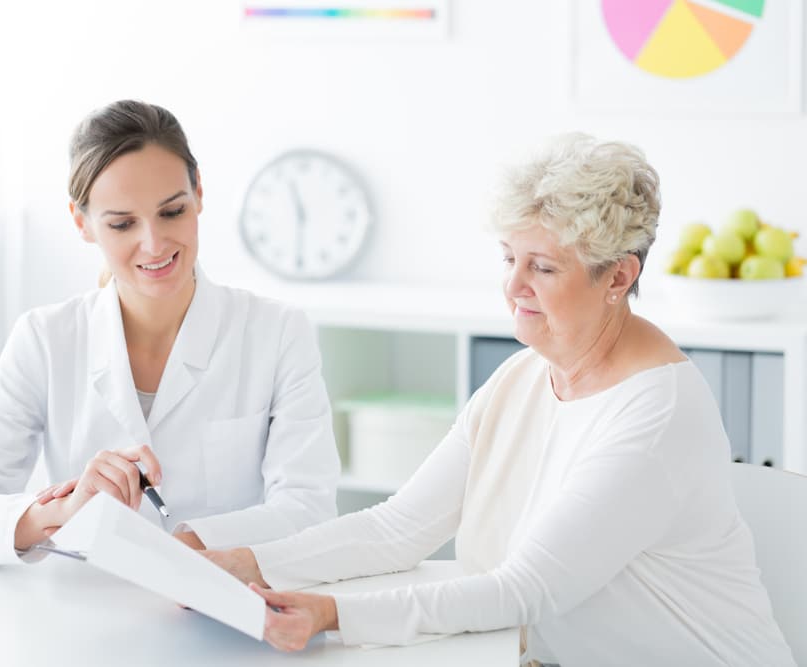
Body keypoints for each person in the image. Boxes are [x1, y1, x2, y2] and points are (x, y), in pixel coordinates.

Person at [204, 134, 795, 664]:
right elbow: (399, 526)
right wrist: (245, 562)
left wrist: (333, 616)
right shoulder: (525, 375)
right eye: (510, 258)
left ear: (617, 278)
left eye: (542, 268)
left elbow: (524, 590)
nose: (513, 287)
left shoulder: (656, 413)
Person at [0, 100, 341, 564]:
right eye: (122, 223)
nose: (154, 243)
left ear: (198, 192)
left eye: (172, 212)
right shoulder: (45, 339)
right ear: (82, 222)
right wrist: (65, 509)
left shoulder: (277, 332)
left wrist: (176, 553)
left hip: (220, 609)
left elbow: (310, 510)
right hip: (80, 615)